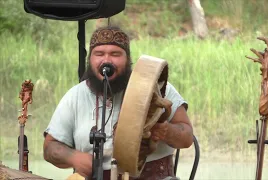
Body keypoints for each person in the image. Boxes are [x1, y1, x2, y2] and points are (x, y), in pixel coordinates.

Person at [43, 26, 194, 180]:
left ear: (128, 59)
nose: (106, 60)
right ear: (90, 60)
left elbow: (187, 136)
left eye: (115, 54)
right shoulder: (75, 95)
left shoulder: (156, 87)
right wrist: (73, 157)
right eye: (99, 54)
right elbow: (50, 147)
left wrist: (166, 131)